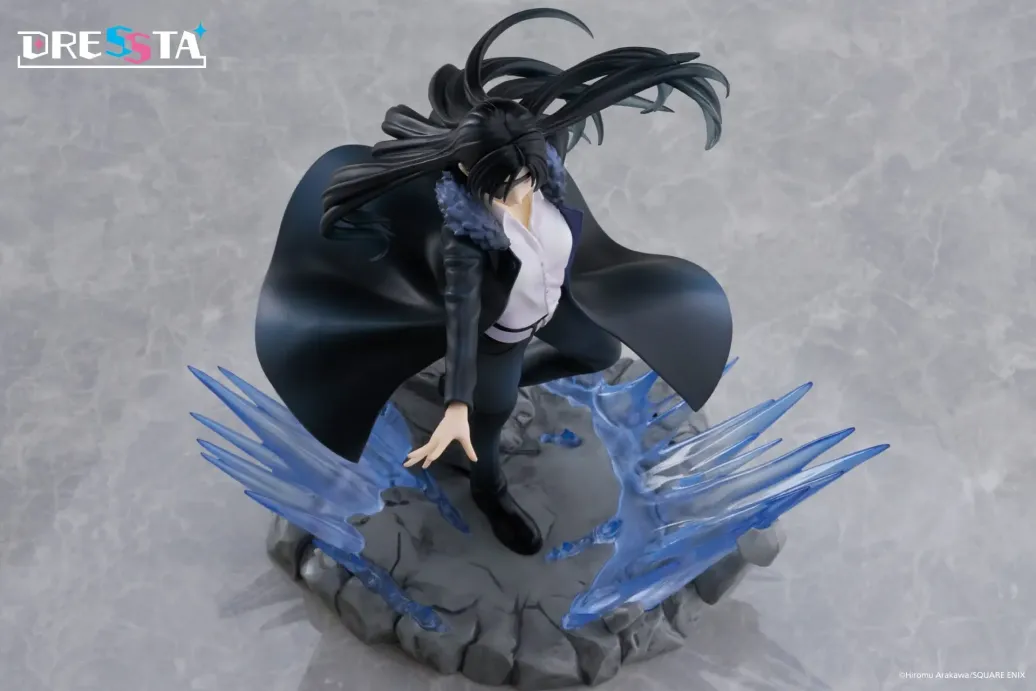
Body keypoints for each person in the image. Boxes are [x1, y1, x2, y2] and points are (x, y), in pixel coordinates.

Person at [254, 8, 734, 556]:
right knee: (489, 422)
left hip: (558, 305)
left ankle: (489, 395)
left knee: (599, 352)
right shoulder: (466, 243)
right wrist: (460, 403)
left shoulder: (542, 177)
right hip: (499, 336)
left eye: (528, 176)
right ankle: (489, 489)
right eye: (508, 183)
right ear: (471, 175)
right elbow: (462, 322)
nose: (522, 192)